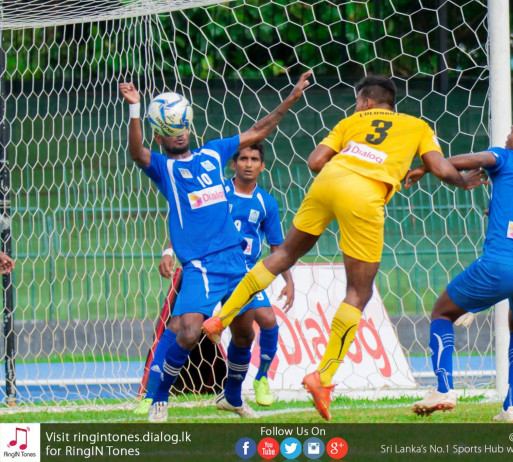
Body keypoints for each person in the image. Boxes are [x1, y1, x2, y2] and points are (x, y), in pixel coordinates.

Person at [202, 75, 487, 420]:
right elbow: (441, 167)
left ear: (366, 102)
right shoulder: (416, 125)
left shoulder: (351, 121)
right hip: (364, 194)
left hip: (328, 181)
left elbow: (315, 161)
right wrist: (463, 181)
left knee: (283, 255)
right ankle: (322, 377)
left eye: (356, 102)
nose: (357, 107)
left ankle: (221, 318)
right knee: (359, 291)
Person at [119, 70, 311, 422]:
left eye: (182, 129)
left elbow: (259, 130)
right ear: (160, 136)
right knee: (188, 331)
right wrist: (134, 110)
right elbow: (135, 152)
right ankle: (159, 398)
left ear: (189, 127)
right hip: (201, 266)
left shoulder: (212, 154)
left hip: (237, 263)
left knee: (243, 332)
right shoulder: (164, 169)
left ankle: (233, 397)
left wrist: (291, 98)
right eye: (170, 132)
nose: (178, 136)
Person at [408, 114, 513, 422]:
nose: (506, 136)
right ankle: (511, 406)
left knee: (442, 312)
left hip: (501, 263)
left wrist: (426, 166)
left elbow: (465, 160)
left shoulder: (504, 157)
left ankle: (444, 389)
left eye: (511, 130)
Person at [138, 143, 294, 413]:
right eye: (242, 158)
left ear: (262, 166)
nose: (248, 164)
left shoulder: (266, 202)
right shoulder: (215, 190)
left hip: (243, 271)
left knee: (265, 321)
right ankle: (152, 395)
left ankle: (259, 381)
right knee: (178, 326)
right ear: (232, 164)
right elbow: (186, 220)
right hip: (206, 265)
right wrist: (168, 250)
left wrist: (288, 280)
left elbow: (276, 246)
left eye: (254, 159)